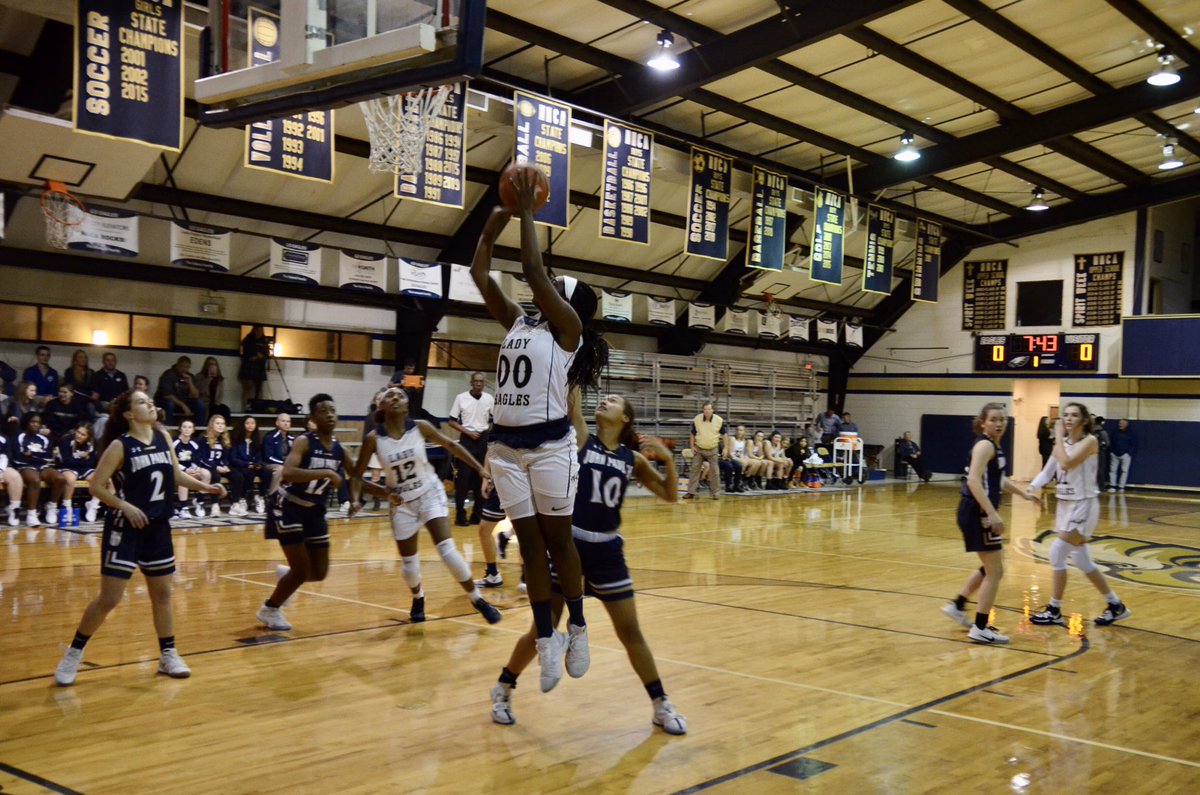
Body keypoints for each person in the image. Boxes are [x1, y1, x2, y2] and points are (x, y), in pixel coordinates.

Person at [470, 170, 610, 691]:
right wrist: (490, 226)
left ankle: (577, 623)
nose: (543, 295)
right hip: (506, 447)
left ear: (567, 304)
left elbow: (531, 267)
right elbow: (480, 276)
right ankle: (548, 638)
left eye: (555, 292)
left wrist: (528, 209)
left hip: (551, 446)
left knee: (558, 543)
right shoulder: (519, 325)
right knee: (529, 550)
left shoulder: (568, 332)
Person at [490, 391, 686, 734]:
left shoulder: (633, 459)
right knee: (542, 629)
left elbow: (671, 496)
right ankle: (503, 688)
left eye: (613, 400)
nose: (605, 401)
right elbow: (573, 404)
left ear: (626, 418)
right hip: (570, 546)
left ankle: (661, 704)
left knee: (631, 632)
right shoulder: (579, 439)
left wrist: (668, 461)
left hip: (608, 552)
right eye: (604, 398)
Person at [52, 389, 227, 686]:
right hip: (125, 527)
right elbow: (96, 486)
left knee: (163, 595)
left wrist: (205, 488)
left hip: (158, 527)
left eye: (150, 400)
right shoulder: (121, 446)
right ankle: (73, 652)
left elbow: (175, 475)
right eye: (142, 402)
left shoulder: (163, 437)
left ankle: (168, 654)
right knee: (110, 599)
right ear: (130, 414)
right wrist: (125, 505)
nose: (151, 404)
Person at [350, 386, 501, 624]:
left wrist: (480, 468)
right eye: (390, 395)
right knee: (409, 565)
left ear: (407, 405)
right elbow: (357, 478)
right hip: (402, 504)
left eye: (401, 395)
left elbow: (452, 446)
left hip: (429, 493)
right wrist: (372, 495)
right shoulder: (373, 439)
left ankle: (477, 599)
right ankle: (418, 596)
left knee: (447, 550)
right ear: (382, 406)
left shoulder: (420, 427)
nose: (396, 397)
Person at [941, 402, 1040, 644]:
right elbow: (974, 481)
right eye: (994, 419)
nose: (999, 423)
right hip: (977, 512)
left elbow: (999, 479)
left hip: (977, 511)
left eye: (1002, 419)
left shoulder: (994, 446)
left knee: (990, 567)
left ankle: (958, 605)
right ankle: (980, 627)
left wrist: (1024, 493)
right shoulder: (985, 445)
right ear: (983, 422)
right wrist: (992, 514)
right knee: (996, 570)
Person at [1025, 404, 1131, 628]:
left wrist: (1058, 439)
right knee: (1082, 561)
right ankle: (1115, 605)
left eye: (1074, 415)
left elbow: (1066, 463)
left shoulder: (1089, 442)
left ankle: (1054, 608)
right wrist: (1030, 489)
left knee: (1056, 553)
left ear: (1084, 421)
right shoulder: (1062, 444)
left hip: (1083, 504)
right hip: (1065, 505)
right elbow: (1049, 471)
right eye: (1066, 415)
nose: (1068, 418)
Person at [256, 394, 349, 632]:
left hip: (314, 511)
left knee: (319, 573)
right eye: (323, 411)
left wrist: (385, 492)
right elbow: (287, 472)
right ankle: (270, 609)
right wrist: (327, 473)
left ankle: (287, 577)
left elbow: (357, 477)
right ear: (312, 418)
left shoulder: (340, 449)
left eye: (332, 410)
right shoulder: (304, 441)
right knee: (301, 571)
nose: (329, 414)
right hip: (288, 506)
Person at [448, 371, 494, 526]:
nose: (479, 384)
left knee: (481, 478)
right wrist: (468, 432)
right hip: (467, 440)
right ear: (471, 382)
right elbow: (452, 421)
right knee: (463, 480)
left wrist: (487, 433)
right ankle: (460, 516)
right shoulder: (461, 398)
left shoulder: (489, 399)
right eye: (476, 381)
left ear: (484, 383)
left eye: (481, 381)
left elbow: (496, 420)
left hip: (483, 440)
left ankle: (477, 515)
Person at [13, 413, 64, 527]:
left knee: (60, 478)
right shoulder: (19, 437)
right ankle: (31, 514)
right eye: (33, 422)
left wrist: (32, 454)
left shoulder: (44, 439)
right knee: (35, 480)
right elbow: (19, 457)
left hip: (41, 466)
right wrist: (37, 457)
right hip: (24, 466)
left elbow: (48, 456)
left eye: (38, 422)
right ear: (26, 422)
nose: (36, 425)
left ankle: (51, 506)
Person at [55, 422, 100, 523]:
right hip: (66, 467)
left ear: (88, 437)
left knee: (100, 478)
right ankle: (67, 506)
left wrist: (81, 462)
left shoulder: (92, 444)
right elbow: (66, 461)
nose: (79, 435)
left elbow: (92, 462)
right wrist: (83, 460)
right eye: (78, 432)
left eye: (83, 434)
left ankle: (93, 505)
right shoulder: (66, 440)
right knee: (70, 478)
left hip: (83, 469)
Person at [201, 414, 239, 516]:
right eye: (217, 423)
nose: (220, 426)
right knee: (215, 476)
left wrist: (225, 465)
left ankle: (235, 504)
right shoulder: (204, 439)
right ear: (211, 425)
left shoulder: (224, 439)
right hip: (208, 466)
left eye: (222, 424)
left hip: (220, 466)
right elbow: (202, 459)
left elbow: (225, 458)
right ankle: (215, 505)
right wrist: (216, 467)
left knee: (237, 475)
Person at [173, 419, 210, 520]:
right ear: (180, 428)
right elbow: (173, 461)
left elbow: (197, 459)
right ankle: (184, 508)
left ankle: (200, 502)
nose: (187, 429)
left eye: (189, 427)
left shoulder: (194, 443)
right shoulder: (174, 442)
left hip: (190, 469)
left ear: (193, 430)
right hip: (177, 471)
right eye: (184, 427)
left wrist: (195, 468)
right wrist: (185, 470)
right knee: (184, 478)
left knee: (206, 474)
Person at [684, 401, 722, 500]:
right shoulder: (697, 419)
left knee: (715, 471)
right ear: (703, 410)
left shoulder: (719, 420)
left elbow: (725, 435)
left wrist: (726, 448)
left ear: (712, 410)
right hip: (699, 448)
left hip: (712, 448)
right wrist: (692, 446)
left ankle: (716, 493)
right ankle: (691, 492)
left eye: (709, 409)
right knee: (694, 469)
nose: (707, 411)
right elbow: (692, 433)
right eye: (705, 409)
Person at [231, 415, 268, 514]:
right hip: (240, 466)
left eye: (253, 423)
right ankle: (243, 498)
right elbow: (233, 458)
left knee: (266, 472)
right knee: (249, 473)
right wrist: (247, 464)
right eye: (248, 423)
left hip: (253, 465)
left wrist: (258, 464)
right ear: (243, 425)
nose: (250, 425)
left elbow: (260, 456)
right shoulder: (236, 439)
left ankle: (261, 497)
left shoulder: (256, 440)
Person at [156, 356, 206, 426]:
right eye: (182, 366)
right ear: (177, 365)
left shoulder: (190, 376)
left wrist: (190, 382)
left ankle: (199, 431)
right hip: (167, 402)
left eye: (187, 367)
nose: (184, 369)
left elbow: (196, 395)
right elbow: (167, 395)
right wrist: (183, 406)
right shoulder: (169, 374)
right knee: (169, 403)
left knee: (200, 403)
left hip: (183, 402)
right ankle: (169, 429)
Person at [238, 325, 270, 411]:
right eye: (258, 330)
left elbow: (266, 354)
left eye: (261, 330)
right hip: (248, 367)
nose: (259, 332)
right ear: (254, 330)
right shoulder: (248, 339)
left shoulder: (264, 340)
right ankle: (245, 408)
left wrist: (259, 356)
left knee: (259, 389)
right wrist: (257, 356)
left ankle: (259, 409)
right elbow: (247, 354)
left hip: (260, 368)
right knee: (248, 387)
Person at [262, 413, 293, 493]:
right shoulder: (270, 437)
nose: (286, 423)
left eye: (288, 421)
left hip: (286, 464)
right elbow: (268, 457)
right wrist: (283, 463)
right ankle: (272, 495)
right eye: (283, 421)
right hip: (269, 464)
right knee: (280, 469)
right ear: (277, 423)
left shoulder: (291, 438)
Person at [1, 429, 24, 527]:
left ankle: (14, 509)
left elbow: (5, 456)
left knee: (15, 477)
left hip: (1, 467)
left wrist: (0, 471)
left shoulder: (3, 438)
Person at [196, 357, 230, 421]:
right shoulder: (200, 376)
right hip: (204, 402)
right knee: (209, 409)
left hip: (215, 402)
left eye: (214, 364)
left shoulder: (219, 379)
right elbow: (200, 391)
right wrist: (208, 379)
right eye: (210, 364)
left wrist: (217, 403)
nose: (212, 366)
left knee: (225, 409)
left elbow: (221, 393)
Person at [1108, 419, 1136, 492]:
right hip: (1114, 454)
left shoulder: (1131, 434)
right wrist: (1111, 451)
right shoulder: (1114, 432)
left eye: (1122, 423)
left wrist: (1128, 453)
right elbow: (1110, 441)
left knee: (1124, 471)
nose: (1120, 425)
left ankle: (1121, 487)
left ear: (1126, 425)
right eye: (1120, 423)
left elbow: (1133, 444)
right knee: (1113, 470)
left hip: (1125, 455)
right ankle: (1112, 486)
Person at [720, 425, 745, 493]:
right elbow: (730, 454)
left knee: (739, 466)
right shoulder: (732, 439)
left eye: (741, 430)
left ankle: (737, 485)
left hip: (735, 458)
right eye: (738, 430)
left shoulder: (743, 441)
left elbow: (742, 453)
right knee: (730, 466)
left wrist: (742, 459)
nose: (739, 432)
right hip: (729, 458)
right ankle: (728, 485)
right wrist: (740, 460)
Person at [1093, 416, 1110, 491]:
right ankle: (1101, 487)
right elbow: (1108, 443)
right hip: (1100, 452)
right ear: (1102, 422)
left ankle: (1093, 485)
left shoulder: (1091, 431)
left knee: (1092, 470)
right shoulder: (1103, 432)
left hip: (1091, 453)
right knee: (1101, 470)